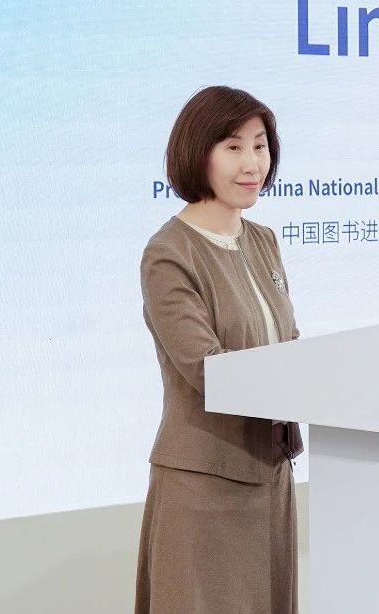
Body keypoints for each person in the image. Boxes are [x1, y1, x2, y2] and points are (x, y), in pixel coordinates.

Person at [135, 85, 302, 614]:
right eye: (233, 147)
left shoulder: (263, 240)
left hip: (270, 473)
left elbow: (288, 344)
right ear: (198, 152)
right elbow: (209, 371)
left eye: (260, 146)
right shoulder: (169, 254)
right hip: (205, 485)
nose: (252, 163)